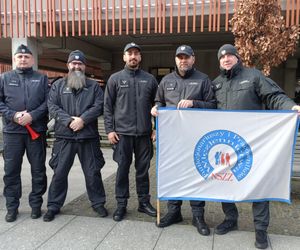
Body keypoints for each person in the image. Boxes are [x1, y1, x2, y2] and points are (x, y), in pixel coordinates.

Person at [213, 44, 300, 249]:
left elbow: (273, 96)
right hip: (227, 144)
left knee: (259, 185)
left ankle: (261, 230)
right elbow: (207, 107)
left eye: (230, 55)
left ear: (237, 57)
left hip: (253, 145)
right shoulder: (215, 83)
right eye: (222, 57)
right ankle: (230, 219)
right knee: (225, 182)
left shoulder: (254, 76)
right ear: (219, 61)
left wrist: (291, 106)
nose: (226, 59)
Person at [151, 45, 216, 236]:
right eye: (179, 57)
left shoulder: (203, 79)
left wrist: (194, 103)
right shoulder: (166, 80)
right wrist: (155, 109)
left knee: (196, 176)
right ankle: (174, 212)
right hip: (172, 140)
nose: (183, 60)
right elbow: (159, 102)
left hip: (196, 139)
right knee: (173, 174)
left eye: (186, 57)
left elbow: (213, 106)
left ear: (193, 59)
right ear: (175, 60)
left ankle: (198, 215)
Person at [43, 50, 107, 222]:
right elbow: (52, 106)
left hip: (88, 137)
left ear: (84, 66)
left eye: (80, 64)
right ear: (68, 65)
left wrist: (83, 120)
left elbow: (99, 105)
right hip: (65, 137)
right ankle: (53, 206)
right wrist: (69, 120)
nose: (76, 66)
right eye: (73, 63)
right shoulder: (58, 85)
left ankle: (98, 203)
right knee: (59, 173)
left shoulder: (94, 86)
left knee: (93, 173)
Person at [104, 42, 158, 222]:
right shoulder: (115, 79)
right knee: (122, 170)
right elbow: (108, 107)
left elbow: (158, 106)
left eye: (136, 53)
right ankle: (121, 204)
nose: (133, 56)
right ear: (124, 57)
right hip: (122, 135)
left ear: (140, 57)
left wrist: (156, 128)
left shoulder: (149, 79)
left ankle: (143, 203)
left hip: (143, 135)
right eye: (130, 53)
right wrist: (109, 130)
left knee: (142, 171)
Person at [0, 44, 49, 222]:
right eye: (19, 57)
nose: (23, 59)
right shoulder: (4, 78)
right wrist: (13, 115)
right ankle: (12, 207)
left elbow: (47, 103)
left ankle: (36, 205)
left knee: (38, 170)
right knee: (11, 171)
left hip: (35, 131)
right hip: (12, 133)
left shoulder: (42, 79)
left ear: (32, 59)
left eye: (26, 57)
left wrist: (32, 116)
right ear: (14, 59)